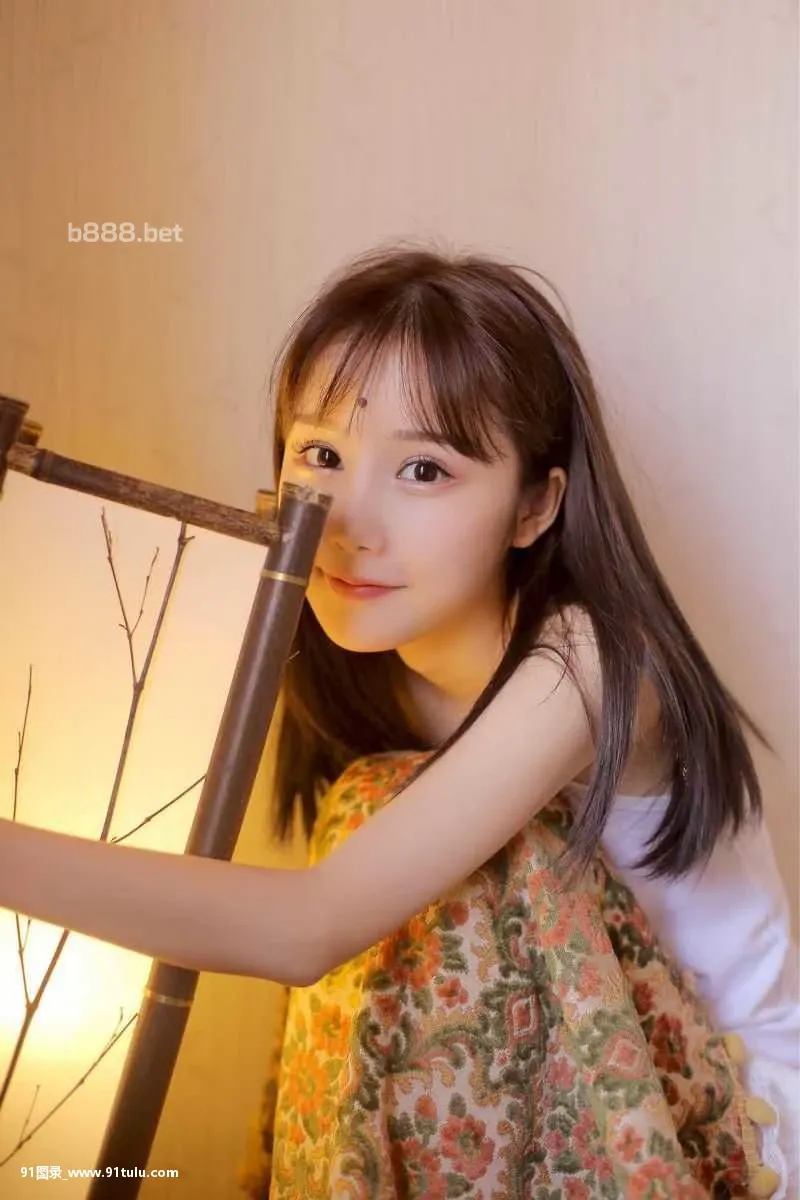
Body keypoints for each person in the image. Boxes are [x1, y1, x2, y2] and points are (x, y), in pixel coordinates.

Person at [0, 247, 797, 1198]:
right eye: (321, 455)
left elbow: (309, 929)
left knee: (435, 853)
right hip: (546, 1132)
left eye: (424, 469)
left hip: (722, 1138)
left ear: (535, 507)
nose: (349, 523)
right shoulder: (355, 666)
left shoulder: (591, 665)